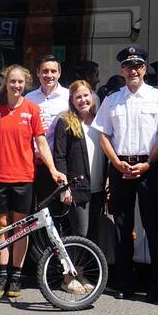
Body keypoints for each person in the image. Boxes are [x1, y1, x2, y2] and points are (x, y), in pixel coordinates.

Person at [92, 45, 158, 302]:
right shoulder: (111, 99)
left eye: (137, 66)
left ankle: (157, 285)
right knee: (122, 227)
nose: (133, 70)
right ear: (121, 70)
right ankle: (125, 284)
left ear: (144, 69)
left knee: (154, 226)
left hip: (148, 169)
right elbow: (103, 134)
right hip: (120, 168)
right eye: (128, 66)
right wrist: (115, 163)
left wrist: (149, 163)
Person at [0, 64, 67, 299]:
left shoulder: (32, 109)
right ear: (6, 83)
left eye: (20, 82)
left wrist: (53, 170)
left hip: (23, 178)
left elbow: (41, 143)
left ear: (25, 84)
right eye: (13, 82)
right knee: (0, 228)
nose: (16, 86)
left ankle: (15, 277)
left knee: (20, 229)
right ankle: (1, 276)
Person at [53, 80, 107, 240]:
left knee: (93, 232)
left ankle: (91, 265)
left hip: (98, 187)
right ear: (72, 100)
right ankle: (76, 265)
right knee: (81, 233)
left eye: (86, 95)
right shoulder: (65, 122)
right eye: (78, 97)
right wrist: (64, 188)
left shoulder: (100, 121)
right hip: (77, 188)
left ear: (92, 96)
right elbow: (59, 156)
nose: (83, 100)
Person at [26, 55, 70, 210]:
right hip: (32, 164)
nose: (49, 75)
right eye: (45, 71)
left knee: (57, 211)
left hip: (58, 165)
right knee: (32, 211)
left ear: (59, 73)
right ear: (37, 73)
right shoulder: (28, 98)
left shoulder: (69, 97)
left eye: (53, 71)